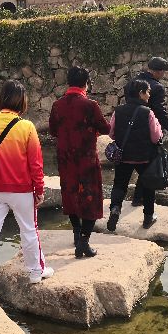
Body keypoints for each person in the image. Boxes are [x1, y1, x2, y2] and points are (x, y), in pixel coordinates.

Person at [0, 80, 50, 299]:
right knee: (29, 230)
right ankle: (36, 272)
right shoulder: (27, 127)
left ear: (1, 98)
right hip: (23, 191)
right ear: (22, 100)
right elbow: (36, 164)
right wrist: (39, 189)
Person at [49, 66, 110, 258]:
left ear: (68, 82)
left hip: (66, 160)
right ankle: (83, 242)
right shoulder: (90, 105)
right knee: (90, 199)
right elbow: (105, 128)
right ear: (86, 83)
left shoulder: (57, 105)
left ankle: (77, 234)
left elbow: (52, 131)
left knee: (71, 195)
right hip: (87, 160)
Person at [129, 57, 168, 205]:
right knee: (150, 165)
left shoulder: (132, 82)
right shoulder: (156, 87)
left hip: (130, 128)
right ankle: (140, 200)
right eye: (163, 72)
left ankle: (126, 199)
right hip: (149, 130)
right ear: (159, 72)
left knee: (130, 166)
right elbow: (160, 114)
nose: (163, 75)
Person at [107, 79, 163, 231]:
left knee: (119, 184)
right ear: (140, 93)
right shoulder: (147, 112)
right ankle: (148, 218)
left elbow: (111, 133)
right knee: (148, 186)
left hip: (123, 156)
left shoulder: (118, 111)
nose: (149, 95)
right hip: (144, 156)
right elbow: (155, 137)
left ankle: (115, 208)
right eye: (148, 92)